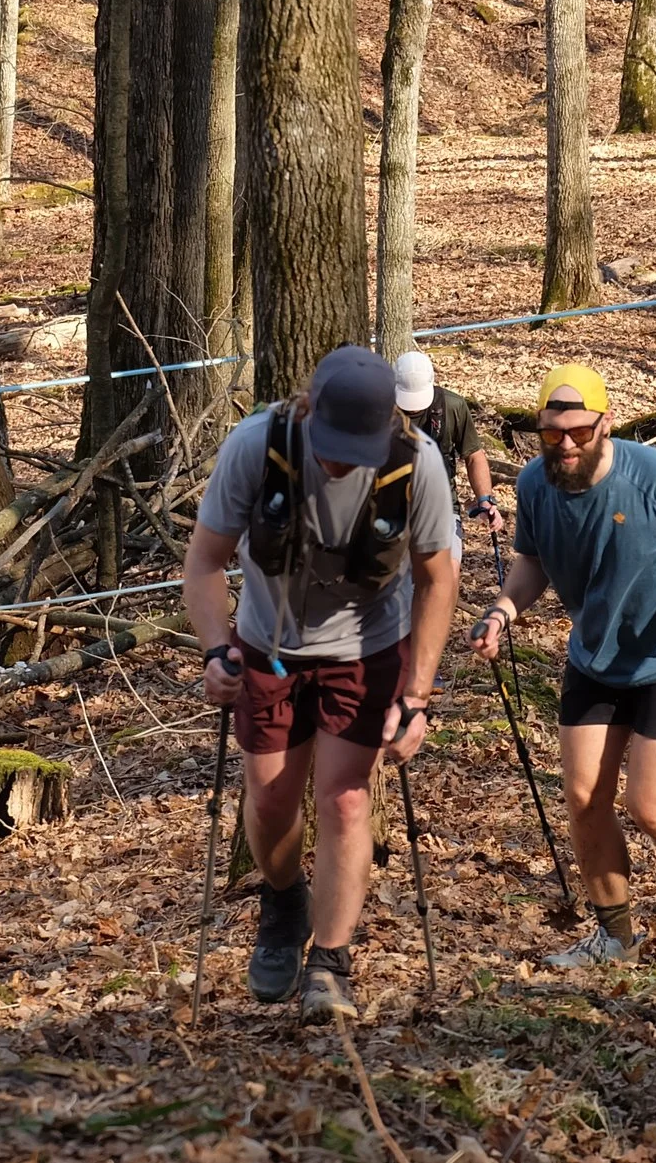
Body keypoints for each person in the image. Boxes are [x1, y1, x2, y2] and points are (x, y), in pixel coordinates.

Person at [184, 346, 461, 1022]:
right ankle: (284, 900)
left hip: (365, 647)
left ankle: (330, 964)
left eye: (354, 450)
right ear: (310, 412)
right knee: (273, 802)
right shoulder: (258, 446)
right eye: (332, 446)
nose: (341, 462)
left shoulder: (415, 462)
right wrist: (217, 649)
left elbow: (439, 577)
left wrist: (416, 695)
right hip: (268, 641)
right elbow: (205, 560)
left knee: (344, 802)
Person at [467, 363, 656, 970]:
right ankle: (615, 936)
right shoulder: (537, 486)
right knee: (584, 797)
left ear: (605, 424)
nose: (565, 445)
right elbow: (532, 561)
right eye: (550, 434)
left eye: (578, 432)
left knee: (651, 808)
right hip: (595, 657)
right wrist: (501, 611)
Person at [395, 350, 504, 535]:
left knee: (449, 564)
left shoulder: (451, 406)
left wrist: (485, 500)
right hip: (391, 508)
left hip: (441, 505)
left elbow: (473, 456)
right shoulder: (378, 409)